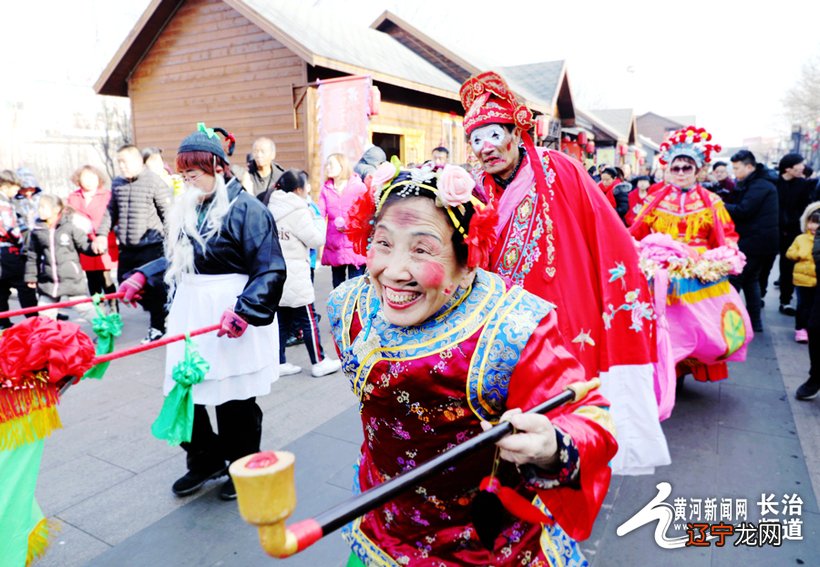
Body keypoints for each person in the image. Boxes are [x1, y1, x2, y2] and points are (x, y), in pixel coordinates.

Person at [330, 164, 617, 566]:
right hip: (383, 529)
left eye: (421, 249)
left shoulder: (511, 329)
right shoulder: (348, 306)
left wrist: (550, 446)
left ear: (468, 260)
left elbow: (590, 416)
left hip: (489, 550)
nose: (393, 272)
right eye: (382, 243)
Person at [459, 70, 666, 475]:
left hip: (566, 305)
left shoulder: (560, 170)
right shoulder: (477, 190)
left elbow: (605, 231)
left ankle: (576, 450)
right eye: (476, 140)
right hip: (508, 315)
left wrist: (622, 288)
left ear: (517, 133)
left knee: (569, 389)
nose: (486, 148)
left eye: (494, 135)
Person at [118, 124, 286, 500]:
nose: (187, 181)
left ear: (218, 167)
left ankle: (242, 465)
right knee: (184, 388)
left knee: (233, 398)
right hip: (191, 309)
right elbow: (175, 259)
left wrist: (245, 310)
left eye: (193, 174)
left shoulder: (249, 210)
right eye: (183, 175)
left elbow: (270, 268)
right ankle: (205, 459)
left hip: (230, 309)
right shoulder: (188, 208)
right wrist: (142, 278)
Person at [630, 126, 747, 384]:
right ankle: (667, 371)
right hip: (661, 274)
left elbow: (725, 236)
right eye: (676, 168)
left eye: (687, 168)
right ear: (668, 170)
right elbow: (634, 231)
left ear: (698, 170)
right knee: (665, 326)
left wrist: (724, 258)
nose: (681, 173)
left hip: (696, 275)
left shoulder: (711, 201)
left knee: (697, 326)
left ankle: (683, 371)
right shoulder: (655, 199)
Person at [267, 169, 341, 377]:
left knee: (281, 319)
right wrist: (318, 220)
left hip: (276, 271)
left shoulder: (272, 205)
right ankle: (318, 361)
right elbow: (316, 239)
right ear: (299, 189)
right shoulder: (298, 210)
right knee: (307, 317)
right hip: (296, 272)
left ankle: (279, 361)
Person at [110, 144, 172, 343]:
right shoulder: (117, 183)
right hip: (127, 247)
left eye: (125, 162)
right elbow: (110, 211)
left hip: (151, 245)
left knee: (155, 289)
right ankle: (161, 313)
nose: (122, 167)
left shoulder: (154, 181)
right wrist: (102, 234)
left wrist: (171, 241)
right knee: (124, 283)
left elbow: (167, 212)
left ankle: (157, 327)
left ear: (138, 161)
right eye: (119, 162)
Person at [726, 150, 779, 333]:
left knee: (736, 280)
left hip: (755, 241)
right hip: (760, 241)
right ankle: (754, 322)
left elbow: (743, 210)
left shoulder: (760, 185)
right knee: (751, 281)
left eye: (736, 168)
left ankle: (727, 323)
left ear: (749, 167)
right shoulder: (757, 183)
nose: (734, 172)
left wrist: (719, 204)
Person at [24, 195, 97, 321]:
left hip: (71, 278)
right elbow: (32, 255)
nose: (40, 210)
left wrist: (95, 248)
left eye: (43, 207)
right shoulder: (37, 231)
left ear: (56, 209)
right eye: (39, 207)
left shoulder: (69, 227)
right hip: (48, 280)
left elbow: (84, 245)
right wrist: (31, 276)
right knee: (45, 312)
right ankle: (49, 339)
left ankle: (105, 333)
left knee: (84, 308)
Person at [66, 165, 118, 309]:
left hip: (104, 240)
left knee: (106, 278)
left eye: (92, 177)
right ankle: (99, 310)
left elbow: (113, 217)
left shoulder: (108, 195)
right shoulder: (73, 197)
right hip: (84, 242)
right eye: (85, 177)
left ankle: (114, 308)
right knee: (92, 280)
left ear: (98, 178)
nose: (88, 181)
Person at [318, 153, 368, 288]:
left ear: (342, 166)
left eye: (331, 164)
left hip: (355, 243)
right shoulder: (326, 189)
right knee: (338, 287)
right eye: (327, 165)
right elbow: (320, 214)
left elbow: (367, 213)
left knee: (356, 286)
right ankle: (339, 310)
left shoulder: (358, 187)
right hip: (335, 244)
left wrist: (351, 224)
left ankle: (355, 310)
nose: (328, 168)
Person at [772, 153, 812, 316]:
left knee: (788, 265)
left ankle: (785, 301)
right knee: (764, 264)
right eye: (800, 164)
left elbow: (805, 207)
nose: (803, 167)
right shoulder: (773, 183)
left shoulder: (803, 184)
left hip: (794, 232)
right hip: (773, 230)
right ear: (788, 168)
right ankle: (758, 294)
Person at [0, 170, 37, 328]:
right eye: (15, 188)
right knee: (25, 285)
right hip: (8, 251)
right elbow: (9, 228)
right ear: (6, 185)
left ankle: (3, 323)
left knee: (1, 289)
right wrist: (23, 241)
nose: (17, 192)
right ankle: (34, 321)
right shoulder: (3, 203)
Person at [786, 203, 820, 343]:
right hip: (802, 280)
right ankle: (800, 328)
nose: (813, 227)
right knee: (803, 305)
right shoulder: (801, 239)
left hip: (817, 279)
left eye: (817, 224)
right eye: (811, 222)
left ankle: (810, 329)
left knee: (814, 307)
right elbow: (790, 253)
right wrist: (799, 254)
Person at [247, 137, 285, 204]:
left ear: (273, 155)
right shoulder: (247, 176)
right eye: (256, 151)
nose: (259, 155)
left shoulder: (282, 177)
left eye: (262, 151)